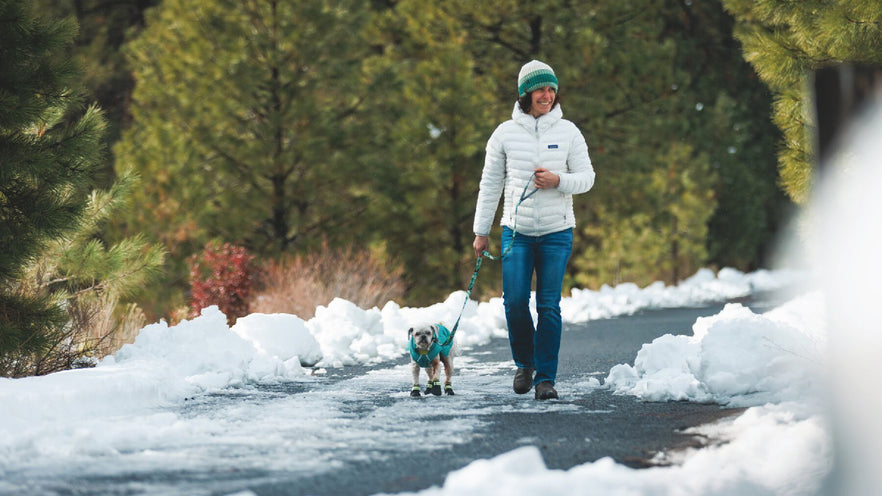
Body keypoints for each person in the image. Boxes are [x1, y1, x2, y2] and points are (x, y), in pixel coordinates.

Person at [473, 60, 595, 400]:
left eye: (552, 89)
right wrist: (481, 231)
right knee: (513, 302)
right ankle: (524, 364)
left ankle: (545, 379)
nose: (547, 95)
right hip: (517, 232)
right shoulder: (504, 134)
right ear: (526, 93)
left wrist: (559, 181)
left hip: (557, 233)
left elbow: (588, 178)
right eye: (541, 89)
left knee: (549, 306)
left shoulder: (569, 131)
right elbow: (490, 183)